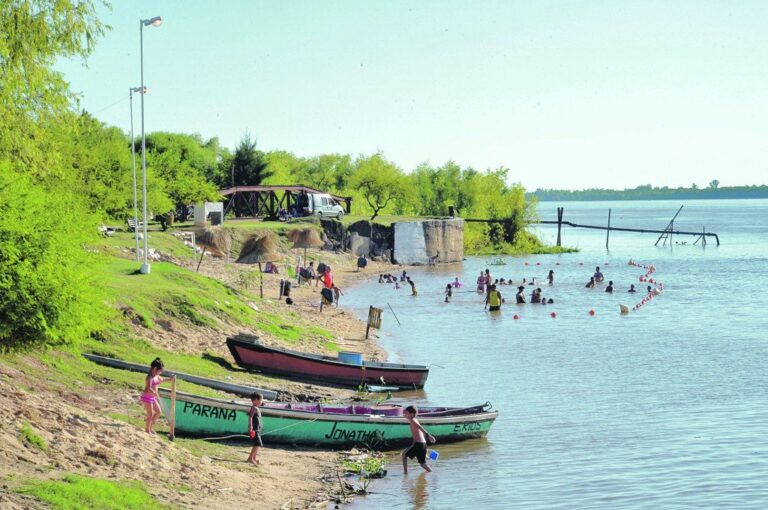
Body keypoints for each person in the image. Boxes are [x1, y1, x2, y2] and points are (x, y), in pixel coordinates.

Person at [139, 358, 175, 434]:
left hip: (153, 397)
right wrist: (154, 392)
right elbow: (148, 388)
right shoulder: (149, 377)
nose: (160, 372)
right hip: (147, 397)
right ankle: (147, 430)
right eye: (160, 370)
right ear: (155, 369)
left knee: (158, 412)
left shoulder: (157, 376)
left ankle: (150, 427)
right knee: (150, 414)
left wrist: (170, 379)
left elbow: (163, 379)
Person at [402, 405, 436, 474]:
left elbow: (420, 427)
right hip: (422, 444)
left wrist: (429, 435)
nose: (404, 414)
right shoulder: (415, 420)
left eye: (406, 413)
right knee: (422, 464)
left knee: (404, 455)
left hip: (419, 444)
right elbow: (418, 434)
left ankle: (405, 473)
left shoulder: (413, 420)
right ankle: (432, 473)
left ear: (412, 414)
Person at [247, 393, 263, 465]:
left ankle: (254, 458)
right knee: (256, 444)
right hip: (254, 430)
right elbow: (250, 417)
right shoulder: (254, 407)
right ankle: (250, 458)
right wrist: (250, 426)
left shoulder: (256, 408)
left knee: (257, 444)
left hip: (257, 430)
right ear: (256, 400)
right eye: (261, 400)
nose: (261, 401)